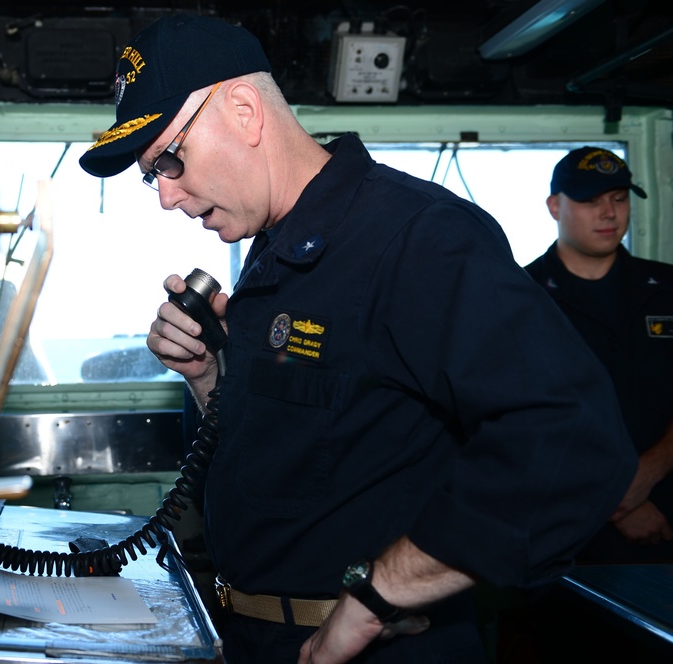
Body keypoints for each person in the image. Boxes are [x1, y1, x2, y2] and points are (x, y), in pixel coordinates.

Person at [79, 15, 638, 664]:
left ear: (242, 110)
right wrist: (206, 378)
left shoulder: (415, 238)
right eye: (152, 176)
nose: (165, 197)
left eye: (169, 160)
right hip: (255, 637)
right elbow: (284, 467)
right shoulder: (271, 259)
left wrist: (374, 599)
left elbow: (573, 440)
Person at [526, 147, 673, 563]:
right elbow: (517, 420)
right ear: (555, 207)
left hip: (665, 513)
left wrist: (650, 472)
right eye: (591, 201)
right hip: (563, 528)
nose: (609, 214)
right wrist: (619, 499)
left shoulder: (666, 287)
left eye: (619, 198)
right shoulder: (520, 297)